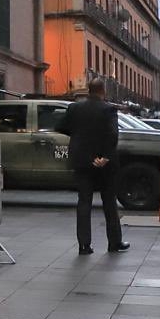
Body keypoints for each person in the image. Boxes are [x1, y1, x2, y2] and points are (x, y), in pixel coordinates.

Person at [55, 79, 129, 256]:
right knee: (109, 202)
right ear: (103, 90)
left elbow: (60, 126)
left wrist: (79, 136)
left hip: (81, 160)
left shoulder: (75, 108)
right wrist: (105, 156)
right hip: (104, 163)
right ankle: (114, 242)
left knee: (84, 202)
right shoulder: (108, 109)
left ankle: (84, 245)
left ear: (89, 90)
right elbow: (113, 134)